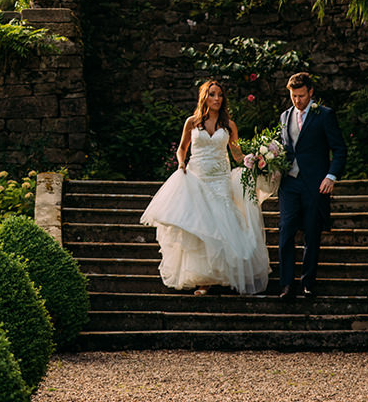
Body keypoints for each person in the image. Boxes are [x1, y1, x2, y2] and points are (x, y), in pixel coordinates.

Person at [139, 80, 269, 295]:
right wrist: (181, 162)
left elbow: (235, 154)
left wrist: (252, 160)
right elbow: (182, 149)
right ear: (204, 97)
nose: (216, 98)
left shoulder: (229, 125)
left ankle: (226, 275)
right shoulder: (192, 122)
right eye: (212, 94)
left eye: (219, 95)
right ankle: (204, 280)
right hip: (197, 178)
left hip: (220, 180)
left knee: (223, 224)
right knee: (201, 227)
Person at [275, 72, 347, 300]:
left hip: (315, 185)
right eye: (293, 96)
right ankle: (287, 285)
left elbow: (340, 149)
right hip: (289, 184)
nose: (297, 100)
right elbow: (285, 149)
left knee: (311, 235)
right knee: (285, 233)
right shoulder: (285, 116)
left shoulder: (324, 115)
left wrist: (331, 176)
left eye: (301, 95)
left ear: (311, 92)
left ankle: (308, 283)